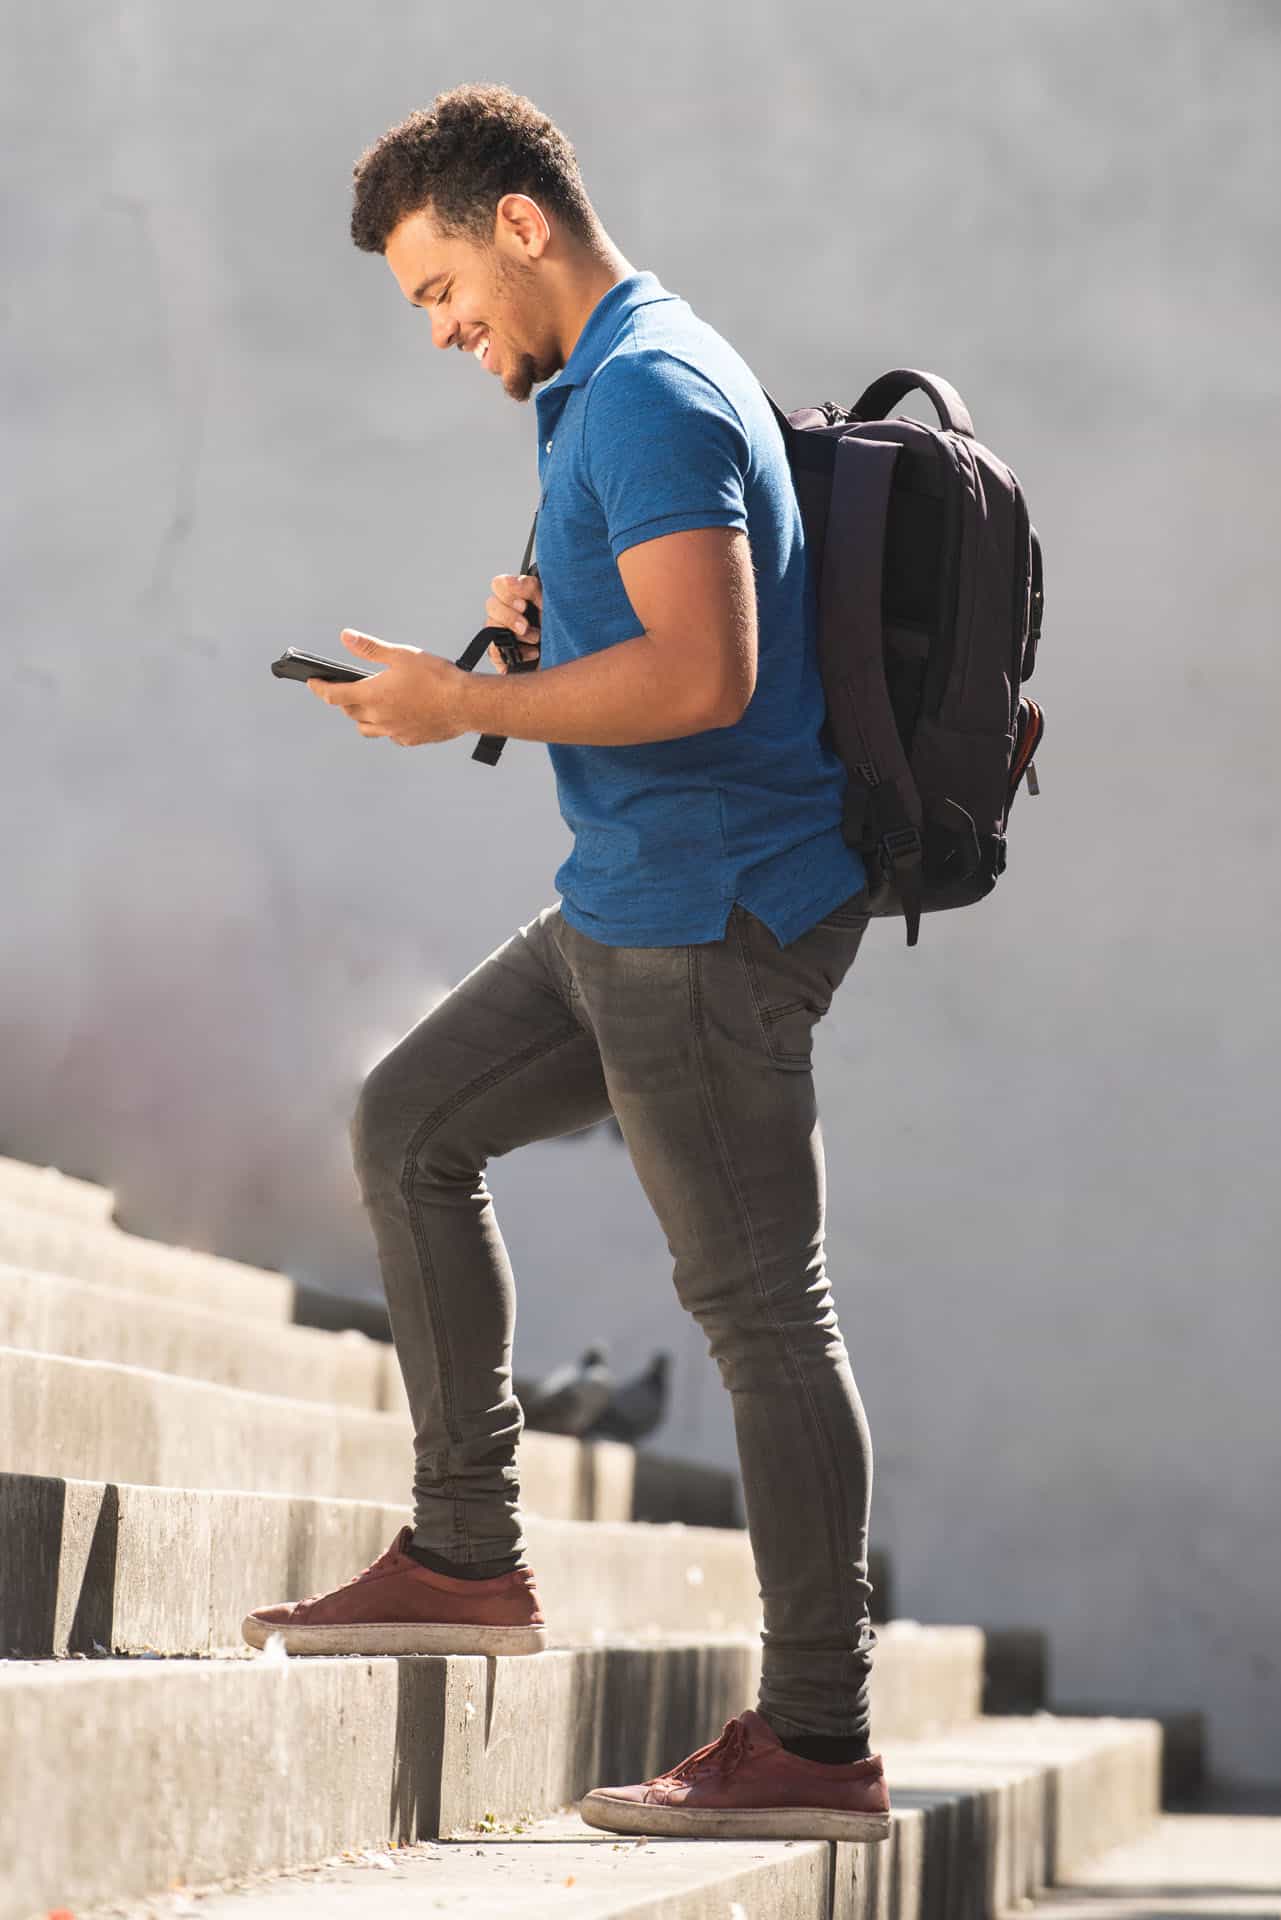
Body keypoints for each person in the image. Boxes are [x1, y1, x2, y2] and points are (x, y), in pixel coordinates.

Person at [243, 83, 891, 1845]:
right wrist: (545, 630)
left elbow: (705, 678)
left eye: (438, 288)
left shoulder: (658, 392)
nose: (443, 331)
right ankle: (463, 1553)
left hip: (709, 918)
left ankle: (816, 1743)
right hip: (634, 897)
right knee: (407, 1125)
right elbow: (653, 638)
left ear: (517, 222)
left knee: (760, 1315)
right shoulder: (606, 387)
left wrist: (463, 700)